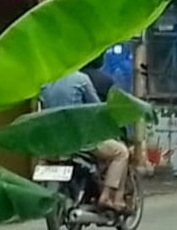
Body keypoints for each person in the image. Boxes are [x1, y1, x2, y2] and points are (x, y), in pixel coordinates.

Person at [39, 69, 130, 212]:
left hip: (54, 141)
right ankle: (106, 196)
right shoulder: (81, 79)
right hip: (81, 141)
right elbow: (97, 109)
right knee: (121, 152)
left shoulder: (45, 84)